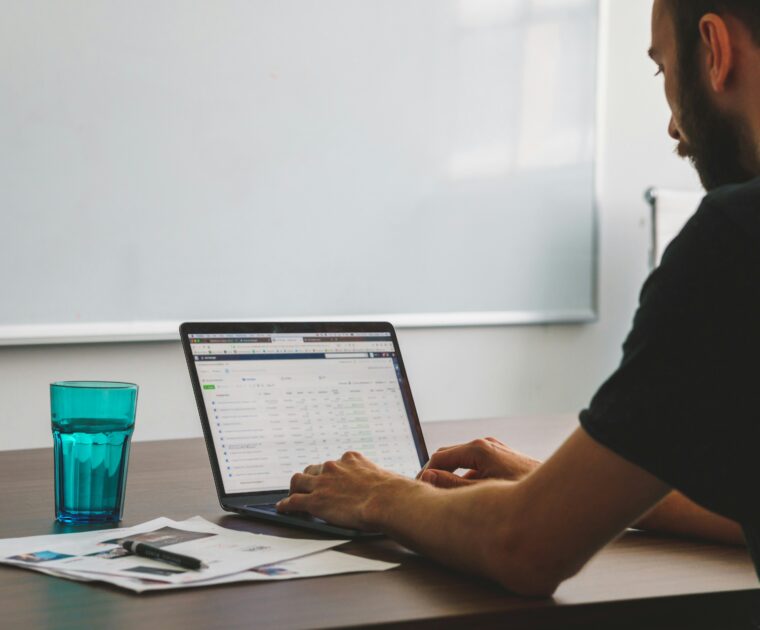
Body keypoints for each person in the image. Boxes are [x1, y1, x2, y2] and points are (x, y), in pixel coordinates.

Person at [278, 0, 760, 596]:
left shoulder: (736, 242)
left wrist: (378, 493)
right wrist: (557, 484)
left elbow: (525, 547)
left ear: (714, 50)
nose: (671, 126)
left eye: (664, 72)